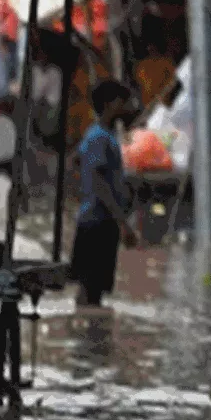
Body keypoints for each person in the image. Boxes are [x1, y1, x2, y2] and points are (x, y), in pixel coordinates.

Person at [70, 80, 141, 308]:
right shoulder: (100, 137)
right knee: (91, 290)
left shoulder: (98, 135)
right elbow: (100, 183)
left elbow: (76, 161)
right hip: (98, 222)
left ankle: (87, 333)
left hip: (96, 219)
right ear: (110, 104)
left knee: (92, 289)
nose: (127, 107)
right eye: (122, 101)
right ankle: (87, 335)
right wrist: (124, 223)